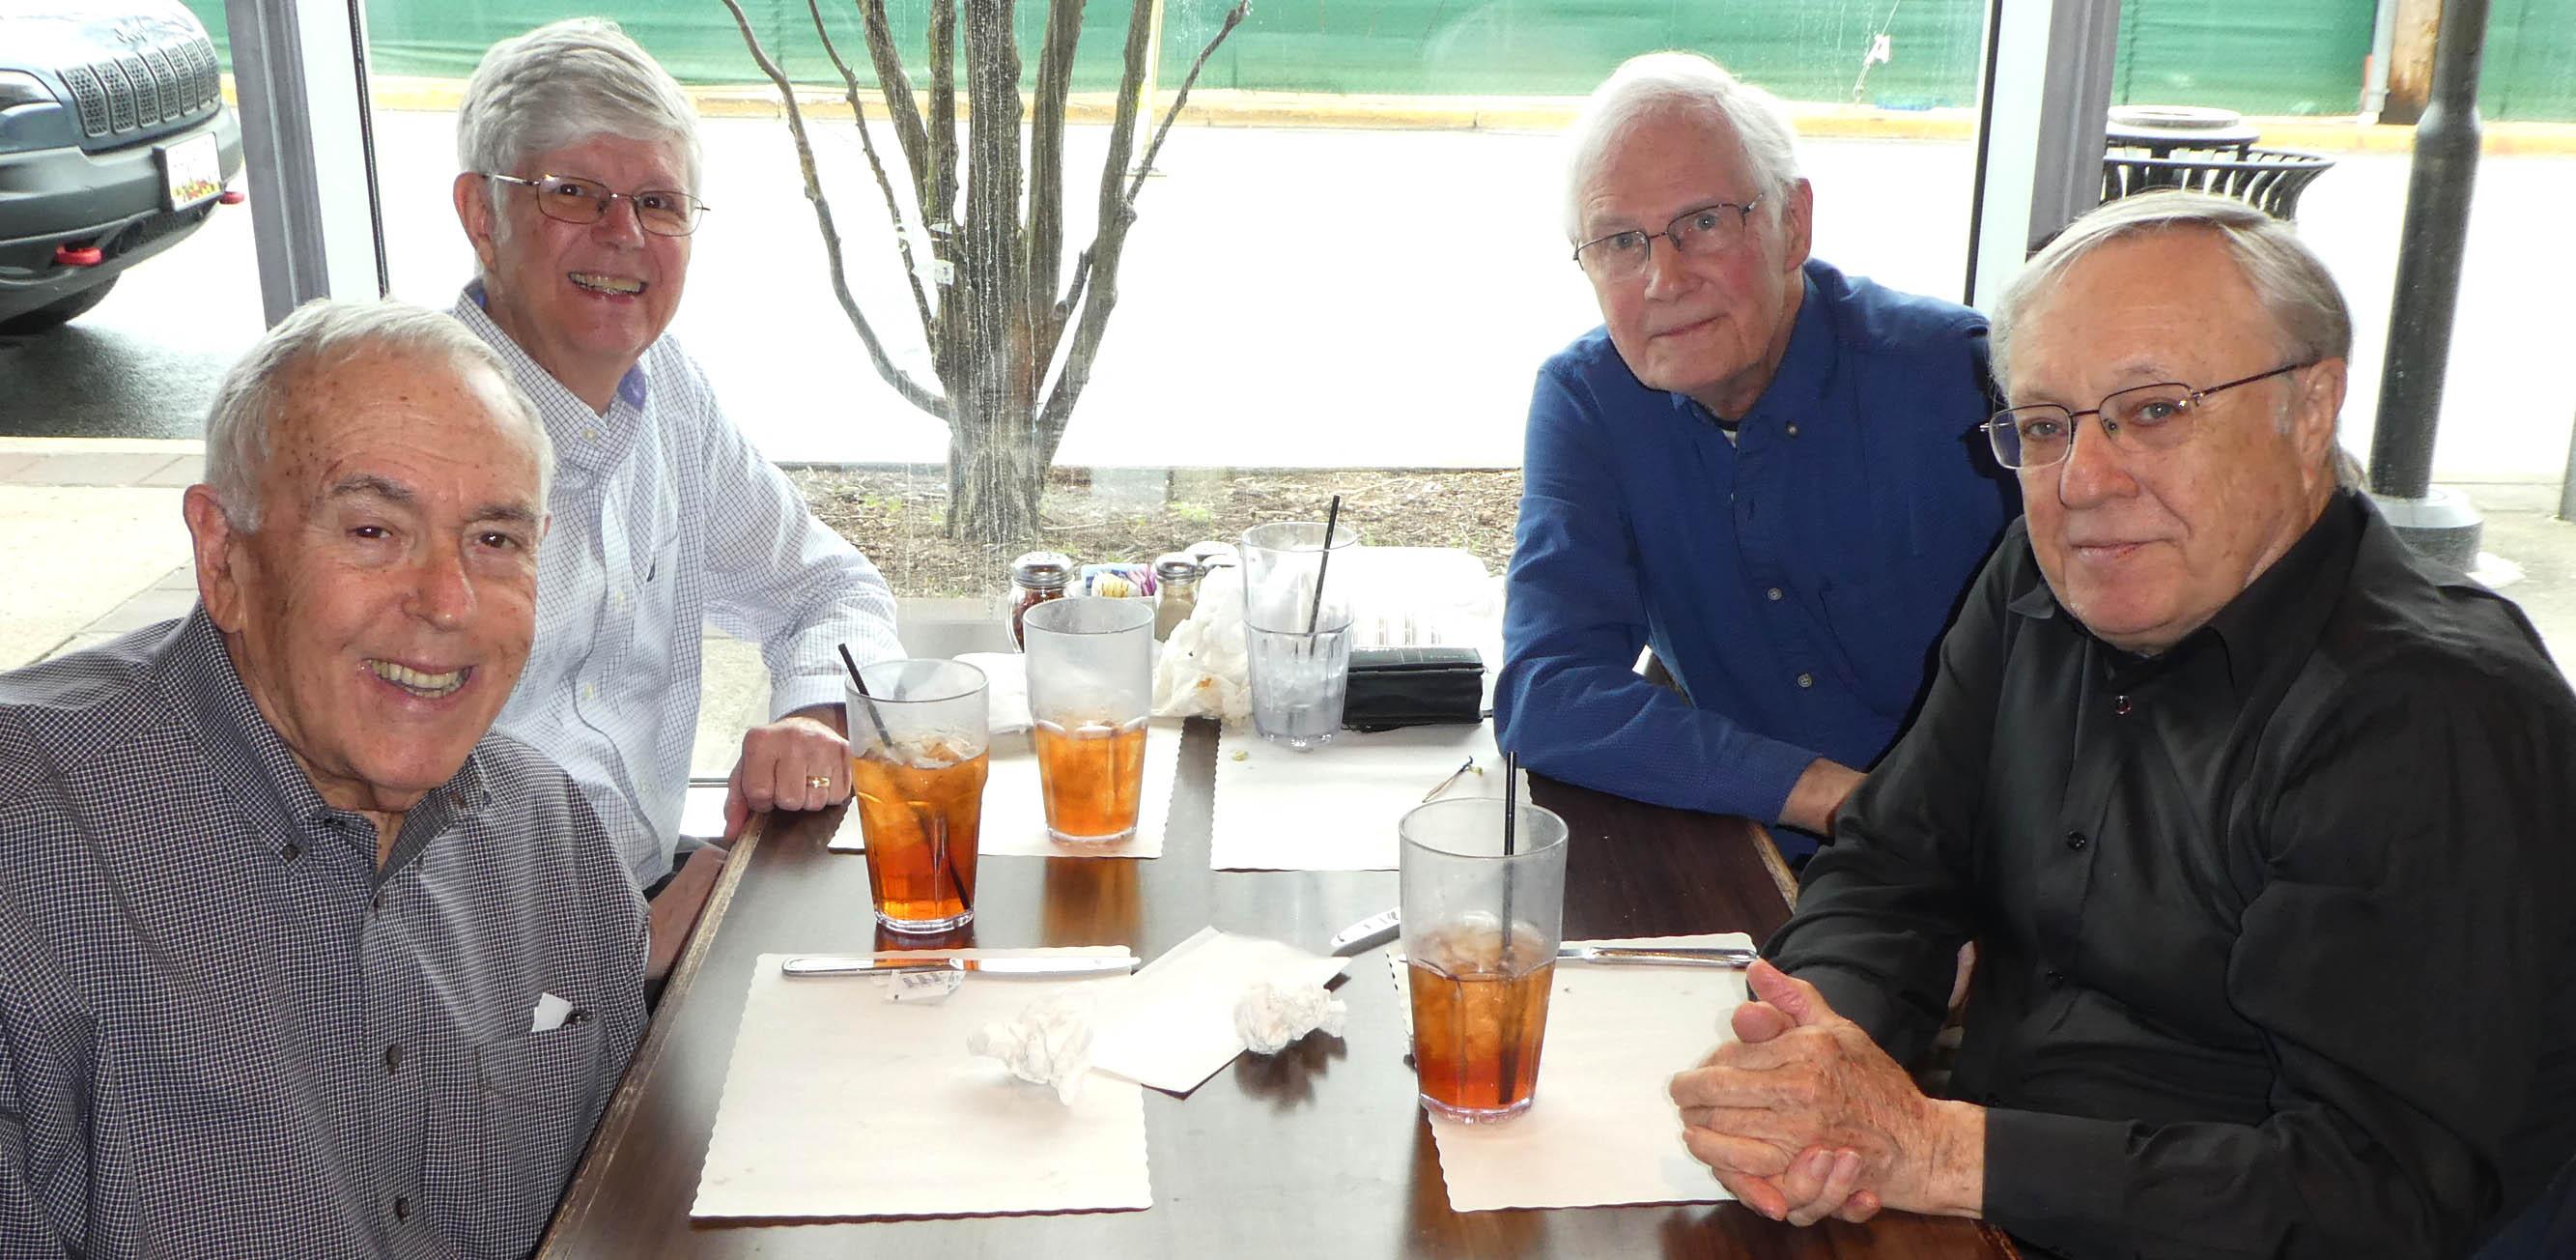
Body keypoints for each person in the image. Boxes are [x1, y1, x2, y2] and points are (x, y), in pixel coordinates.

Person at [1668, 192, 2576, 1258]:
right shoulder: (2038, 586)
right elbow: (1889, 865)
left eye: (2154, 410)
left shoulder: (2431, 713)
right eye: (2046, 425)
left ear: (2311, 407)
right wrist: (1816, 1046)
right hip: (1998, 1208)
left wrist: (1935, 1148)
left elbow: (2375, 1191)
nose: (2083, 481)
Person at [0, 300, 646, 1256]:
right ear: (224, 557)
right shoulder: (31, 841)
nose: (446, 601)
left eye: (495, 540)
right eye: (375, 530)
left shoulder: (549, 832)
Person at [1494, 52, 2016, 861]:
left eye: (1703, 222)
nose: (1664, 279)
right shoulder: (1591, 399)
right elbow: (1546, 692)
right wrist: (1838, 800)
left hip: (1981, 859)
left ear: (1792, 225)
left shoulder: (1963, 377)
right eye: (1620, 242)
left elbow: (2099, 678)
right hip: (1751, 849)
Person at [448, 18, 905, 895]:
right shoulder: (417, 434)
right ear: (481, 213)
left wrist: (811, 722)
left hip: (653, 896)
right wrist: (639, 952)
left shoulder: (664, 390)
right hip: (498, 986)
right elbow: (370, 821)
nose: (623, 234)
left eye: (658, 203)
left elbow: (826, 589)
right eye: (574, 192)